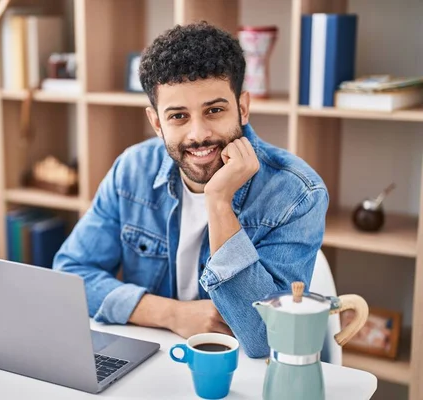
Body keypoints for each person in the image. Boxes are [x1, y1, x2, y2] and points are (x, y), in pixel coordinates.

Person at [53, 21, 328, 358]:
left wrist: (219, 202)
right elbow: (71, 275)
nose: (198, 134)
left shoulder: (297, 193)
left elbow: (266, 338)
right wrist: (171, 314)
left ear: (242, 107)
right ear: (157, 122)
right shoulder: (132, 169)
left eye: (214, 110)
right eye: (178, 116)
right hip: (160, 359)